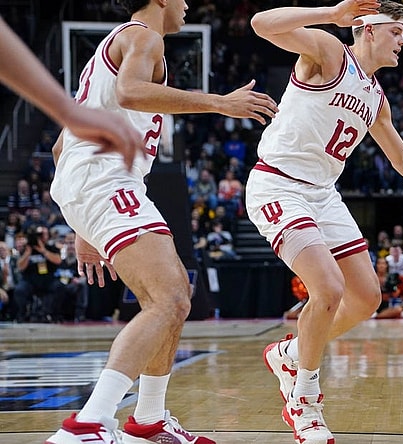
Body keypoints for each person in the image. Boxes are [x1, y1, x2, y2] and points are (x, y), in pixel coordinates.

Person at [246, 2, 403, 443]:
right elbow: (261, 24)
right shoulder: (329, 52)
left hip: (322, 193)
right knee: (328, 289)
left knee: (365, 296)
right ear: (369, 30)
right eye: (396, 31)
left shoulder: (376, 98)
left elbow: (401, 158)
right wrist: (332, 13)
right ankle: (304, 401)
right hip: (279, 184)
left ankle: (290, 352)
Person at [45, 0, 278, 443]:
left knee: (174, 297)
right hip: (106, 178)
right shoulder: (143, 37)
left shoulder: (111, 52)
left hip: (94, 183)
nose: (188, 4)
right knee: (169, 299)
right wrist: (218, 103)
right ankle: (89, 424)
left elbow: (60, 147)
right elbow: (131, 92)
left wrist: (84, 228)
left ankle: (149, 420)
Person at [0, 16, 140, 170]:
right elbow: (127, 93)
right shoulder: (138, 38)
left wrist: (68, 111)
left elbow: (57, 149)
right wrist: (68, 111)